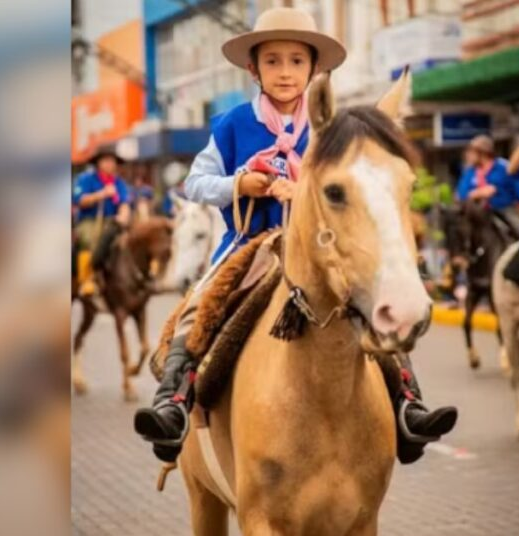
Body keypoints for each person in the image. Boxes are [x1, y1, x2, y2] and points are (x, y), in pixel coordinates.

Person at [133, 6, 456, 464]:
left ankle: (408, 403)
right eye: (273, 61)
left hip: (319, 249)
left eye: (296, 61)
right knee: (198, 309)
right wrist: (238, 183)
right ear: (254, 68)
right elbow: (193, 184)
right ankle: (174, 404)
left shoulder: (338, 129)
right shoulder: (232, 124)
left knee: (370, 305)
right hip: (249, 245)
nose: (285, 72)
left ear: (313, 69)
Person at [72, 148, 132, 297]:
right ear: (98, 163)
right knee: (90, 240)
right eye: (106, 160)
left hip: (112, 221)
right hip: (90, 221)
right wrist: (102, 194)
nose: (110, 164)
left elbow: (124, 203)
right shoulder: (85, 179)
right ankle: (87, 279)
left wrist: (123, 216)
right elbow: (79, 200)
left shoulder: (119, 183)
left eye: (112, 161)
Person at [456, 134, 519, 239]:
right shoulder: (469, 173)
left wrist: (497, 190)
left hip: (504, 211)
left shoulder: (503, 168)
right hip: (479, 216)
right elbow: (461, 193)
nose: (468, 156)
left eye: (471, 152)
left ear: (482, 153)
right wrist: (478, 193)